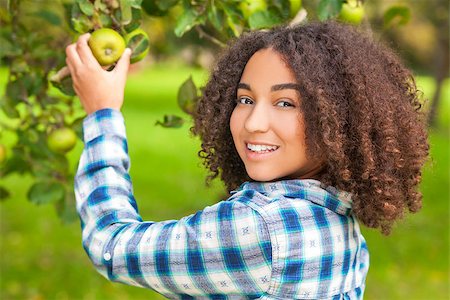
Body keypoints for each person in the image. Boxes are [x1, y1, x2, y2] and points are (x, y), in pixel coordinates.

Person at [67, 21, 429, 299]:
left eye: (286, 103)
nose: (253, 123)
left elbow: (111, 246)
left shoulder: (260, 229)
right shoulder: (336, 216)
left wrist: (102, 112)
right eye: (244, 100)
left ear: (340, 119)